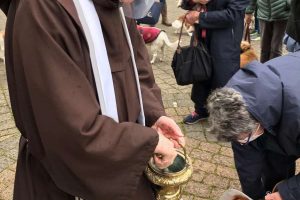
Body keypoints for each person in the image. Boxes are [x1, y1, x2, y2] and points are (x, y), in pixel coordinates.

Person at [0, 0, 185, 199]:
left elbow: (135, 67)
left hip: (122, 155)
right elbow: (65, 126)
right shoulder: (42, 8)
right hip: (68, 179)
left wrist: (152, 114)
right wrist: (143, 143)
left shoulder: (117, 4)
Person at [207, 2, 300, 199]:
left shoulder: (296, 114)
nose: (242, 142)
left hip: (294, 110)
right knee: (273, 158)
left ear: (257, 122)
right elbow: (247, 160)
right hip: (280, 116)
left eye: (244, 137)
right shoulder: (237, 106)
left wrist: (288, 192)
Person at [180, 0, 250, 124]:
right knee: (200, 70)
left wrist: (200, 17)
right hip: (201, 35)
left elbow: (232, 15)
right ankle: (201, 110)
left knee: (223, 75)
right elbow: (185, 4)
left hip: (225, 38)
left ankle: (225, 115)